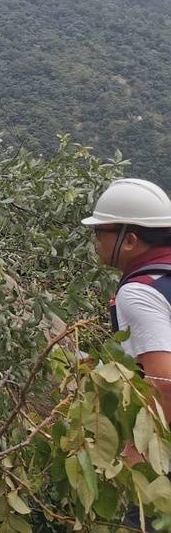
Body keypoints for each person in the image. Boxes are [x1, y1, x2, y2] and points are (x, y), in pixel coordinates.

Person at [84, 177, 171, 513]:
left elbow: (164, 383)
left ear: (130, 239)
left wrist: (135, 455)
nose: (95, 241)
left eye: (100, 233)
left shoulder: (140, 291)